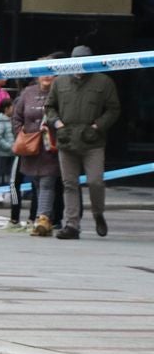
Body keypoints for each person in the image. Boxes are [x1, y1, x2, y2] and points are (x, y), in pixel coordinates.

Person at [45, 45, 120, 240]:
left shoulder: (104, 82)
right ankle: (72, 225)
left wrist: (97, 126)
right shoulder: (60, 82)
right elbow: (49, 106)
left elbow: (113, 109)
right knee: (69, 183)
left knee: (95, 181)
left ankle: (98, 213)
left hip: (92, 141)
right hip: (67, 139)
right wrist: (58, 124)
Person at [11, 69, 61, 237]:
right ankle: (46, 220)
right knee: (37, 183)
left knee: (47, 181)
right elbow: (16, 117)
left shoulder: (60, 91)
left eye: (50, 73)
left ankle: (42, 218)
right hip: (30, 146)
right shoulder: (28, 92)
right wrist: (21, 135)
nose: (47, 76)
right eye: (43, 72)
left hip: (51, 146)